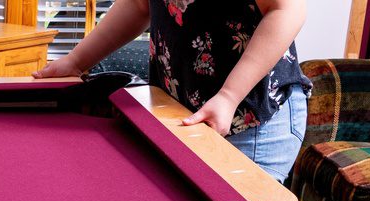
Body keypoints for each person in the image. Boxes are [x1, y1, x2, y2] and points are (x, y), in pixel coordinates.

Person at [35, 0, 311, 183]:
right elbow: (139, 5)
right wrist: (76, 61)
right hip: (183, 113)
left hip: (253, 120)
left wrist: (229, 96)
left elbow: (287, 10)